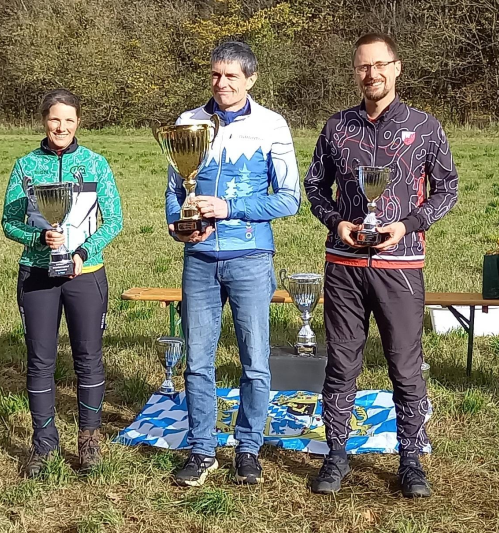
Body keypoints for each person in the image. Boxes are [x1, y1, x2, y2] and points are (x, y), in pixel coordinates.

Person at [304, 33, 459, 497]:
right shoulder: (335, 127)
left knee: (406, 368)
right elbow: (314, 187)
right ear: (355, 72)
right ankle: (336, 456)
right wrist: (337, 223)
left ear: (397, 67)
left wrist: (408, 224)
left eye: (379, 65)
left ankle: (410, 460)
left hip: (401, 266)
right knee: (340, 364)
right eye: (362, 67)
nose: (371, 74)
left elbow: (447, 190)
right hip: (345, 266)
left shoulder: (426, 128)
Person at [165, 41, 300, 486]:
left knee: (255, 360)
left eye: (232, 77)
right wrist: (177, 224)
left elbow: (289, 199)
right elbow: (173, 192)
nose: (222, 84)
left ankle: (247, 449)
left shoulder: (271, 125)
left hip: (250, 257)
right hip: (199, 260)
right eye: (215, 75)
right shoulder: (188, 122)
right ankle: (202, 450)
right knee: (197, 362)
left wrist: (231, 207)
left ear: (251, 79)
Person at [1, 89, 123, 478]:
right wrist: (40, 238)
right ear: (44, 120)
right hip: (37, 273)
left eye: (69, 120)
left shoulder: (95, 164)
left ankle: (89, 441)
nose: (62, 127)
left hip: (84, 274)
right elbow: (9, 222)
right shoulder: (25, 166)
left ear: (78, 123)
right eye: (55, 119)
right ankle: (44, 444)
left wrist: (82, 252)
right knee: (40, 362)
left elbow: (114, 220)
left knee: (88, 359)